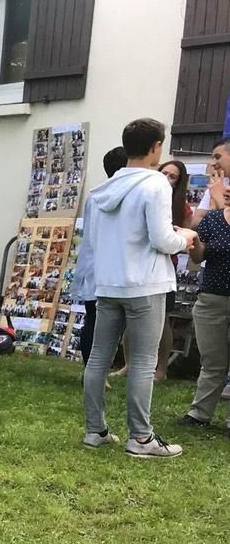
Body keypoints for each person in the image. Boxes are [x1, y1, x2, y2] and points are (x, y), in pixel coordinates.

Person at [78, 118, 197, 458]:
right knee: (144, 361)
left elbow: (96, 241)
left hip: (108, 283)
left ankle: (94, 431)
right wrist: (185, 238)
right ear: (155, 147)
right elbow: (163, 239)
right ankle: (141, 438)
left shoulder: (103, 190)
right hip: (145, 283)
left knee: (99, 357)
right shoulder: (155, 184)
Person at [112, 159, 192, 381]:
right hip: (140, 266)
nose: (166, 178)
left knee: (162, 319)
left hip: (165, 269)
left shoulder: (181, 207)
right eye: (163, 172)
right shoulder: (148, 195)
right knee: (132, 316)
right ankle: (128, 364)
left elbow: (181, 236)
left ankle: (161, 369)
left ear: (179, 182)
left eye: (172, 176)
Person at [181, 162, 230, 431]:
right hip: (211, 298)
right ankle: (200, 414)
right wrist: (194, 243)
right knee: (212, 361)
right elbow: (198, 259)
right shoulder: (212, 220)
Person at [74, 146, 129, 364]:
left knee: (94, 319)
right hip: (115, 269)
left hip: (95, 266)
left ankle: (92, 369)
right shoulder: (128, 196)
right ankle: (97, 371)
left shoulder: (95, 196)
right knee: (105, 322)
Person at [193, 137, 230, 227]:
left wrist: (219, 202)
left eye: (217, 157)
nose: (212, 163)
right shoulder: (218, 184)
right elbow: (195, 222)